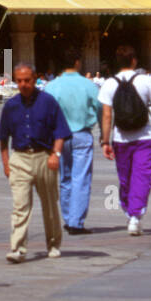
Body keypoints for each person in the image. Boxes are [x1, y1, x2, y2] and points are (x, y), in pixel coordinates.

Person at [0, 63, 71, 262]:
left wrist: (56, 154)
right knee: (20, 206)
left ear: (35, 78)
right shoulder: (10, 106)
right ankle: (17, 248)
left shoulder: (48, 102)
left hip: (44, 157)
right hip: (19, 158)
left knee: (49, 205)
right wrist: (6, 163)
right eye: (19, 81)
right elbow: (3, 139)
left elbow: (60, 132)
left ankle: (53, 244)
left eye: (27, 80)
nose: (23, 84)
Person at [98, 45, 151, 236]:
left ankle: (130, 211)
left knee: (125, 178)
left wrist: (105, 141)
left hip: (121, 138)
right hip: (145, 136)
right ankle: (136, 215)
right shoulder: (146, 80)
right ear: (134, 61)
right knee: (143, 176)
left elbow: (106, 115)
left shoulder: (109, 83)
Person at [45, 49, 102, 234]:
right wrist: (104, 133)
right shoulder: (89, 85)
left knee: (65, 178)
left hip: (59, 138)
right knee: (81, 178)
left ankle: (68, 217)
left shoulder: (51, 86)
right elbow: (101, 108)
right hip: (82, 135)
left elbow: (46, 114)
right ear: (77, 62)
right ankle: (76, 222)